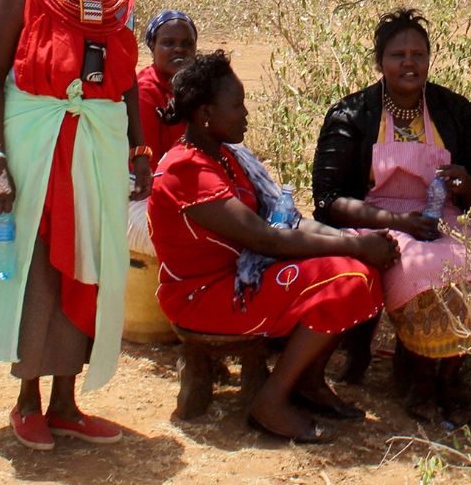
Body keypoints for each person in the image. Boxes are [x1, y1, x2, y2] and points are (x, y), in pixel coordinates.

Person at [0, 0, 151, 452]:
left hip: (97, 138)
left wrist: (139, 146)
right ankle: (27, 401)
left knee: (90, 259)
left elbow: (124, 74)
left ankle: (67, 402)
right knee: (39, 259)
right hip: (37, 139)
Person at [148, 51, 399, 443]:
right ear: (204, 114)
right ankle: (271, 399)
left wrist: (353, 242)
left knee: (359, 274)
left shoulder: (226, 157)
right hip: (203, 296)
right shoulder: (187, 172)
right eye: (236, 104)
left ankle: (308, 383)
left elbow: (288, 222)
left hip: (239, 278)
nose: (245, 113)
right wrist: (356, 249)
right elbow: (265, 237)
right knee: (350, 276)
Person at [311, 8, 471, 421]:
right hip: (377, 220)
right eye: (399, 55)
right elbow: (327, 201)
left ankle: (450, 376)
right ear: (380, 62)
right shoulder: (352, 115)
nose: (409, 63)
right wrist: (396, 223)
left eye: (418, 53)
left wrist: (467, 185)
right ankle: (418, 377)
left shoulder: (456, 111)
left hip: (444, 217)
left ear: (430, 60)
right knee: (420, 267)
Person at [127, 10, 197, 255]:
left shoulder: (192, 89)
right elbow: (151, 170)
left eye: (187, 44)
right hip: (141, 190)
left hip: (179, 186)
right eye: (168, 43)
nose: (179, 50)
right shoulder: (146, 94)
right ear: (152, 47)